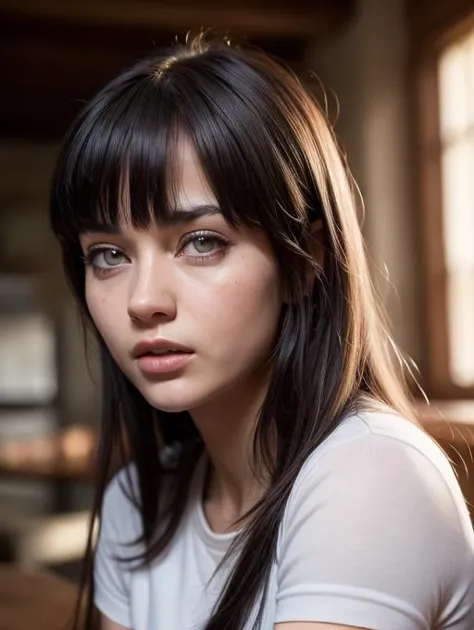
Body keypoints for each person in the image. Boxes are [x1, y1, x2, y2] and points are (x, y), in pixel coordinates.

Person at [50, 34, 474, 630]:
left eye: (201, 242)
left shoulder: (371, 478)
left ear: (304, 262)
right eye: (109, 255)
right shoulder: (139, 501)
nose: (143, 300)